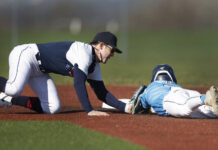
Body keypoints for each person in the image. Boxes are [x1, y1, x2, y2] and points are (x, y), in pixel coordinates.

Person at [0, 32, 132, 116]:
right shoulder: (84, 53)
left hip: (40, 71)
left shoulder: (94, 66)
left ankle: (5, 99)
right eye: (112, 50)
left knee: (52, 108)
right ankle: (9, 94)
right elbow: (78, 83)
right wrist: (89, 110)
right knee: (14, 89)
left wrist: (125, 107)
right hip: (26, 55)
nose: (112, 55)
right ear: (101, 45)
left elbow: (101, 93)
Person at [130, 64, 218, 118]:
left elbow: (137, 108)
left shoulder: (149, 89)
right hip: (185, 92)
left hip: (167, 98)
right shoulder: (174, 84)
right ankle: (207, 99)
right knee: (207, 111)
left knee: (185, 108)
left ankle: (206, 98)